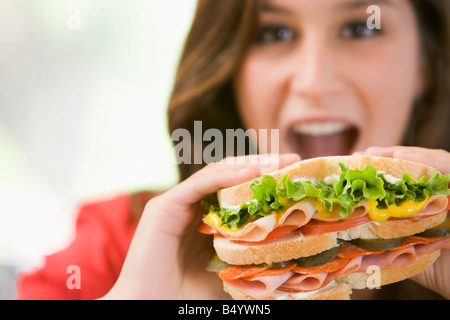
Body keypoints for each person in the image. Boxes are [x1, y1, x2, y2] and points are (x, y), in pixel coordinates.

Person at [17, 0, 450, 300]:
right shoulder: (119, 245)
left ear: (426, 65)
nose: (314, 81)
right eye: (275, 31)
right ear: (230, 67)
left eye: (360, 27)